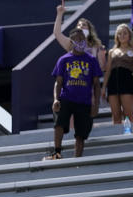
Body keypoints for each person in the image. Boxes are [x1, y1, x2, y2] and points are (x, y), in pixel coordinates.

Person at [47, 28, 103, 160]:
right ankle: (57, 152)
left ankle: (77, 160)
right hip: (66, 98)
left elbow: (96, 84)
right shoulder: (63, 60)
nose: (80, 42)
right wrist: (56, 99)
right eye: (77, 40)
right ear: (71, 41)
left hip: (84, 101)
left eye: (82, 39)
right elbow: (58, 82)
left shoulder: (91, 60)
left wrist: (96, 104)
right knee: (59, 124)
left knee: (81, 133)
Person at [54, 1, 107, 71]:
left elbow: (102, 67)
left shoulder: (96, 45)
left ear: (89, 30)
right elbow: (57, 33)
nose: (81, 26)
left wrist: (102, 56)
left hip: (89, 79)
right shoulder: (71, 43)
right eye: (79, 25)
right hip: (74, 79)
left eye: (84, 25)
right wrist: (60, 14)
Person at [104, 24, 133, 129]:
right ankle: (117, 137)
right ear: (116, 36)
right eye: (119, 33)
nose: (122, 35)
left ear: (129, 35)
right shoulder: (112, 51)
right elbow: (107, 71)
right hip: (113, 85)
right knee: (116, 116)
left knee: (129, 114)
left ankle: (130, 137)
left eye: (125, 33)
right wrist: (103, 88)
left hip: (127, 83)